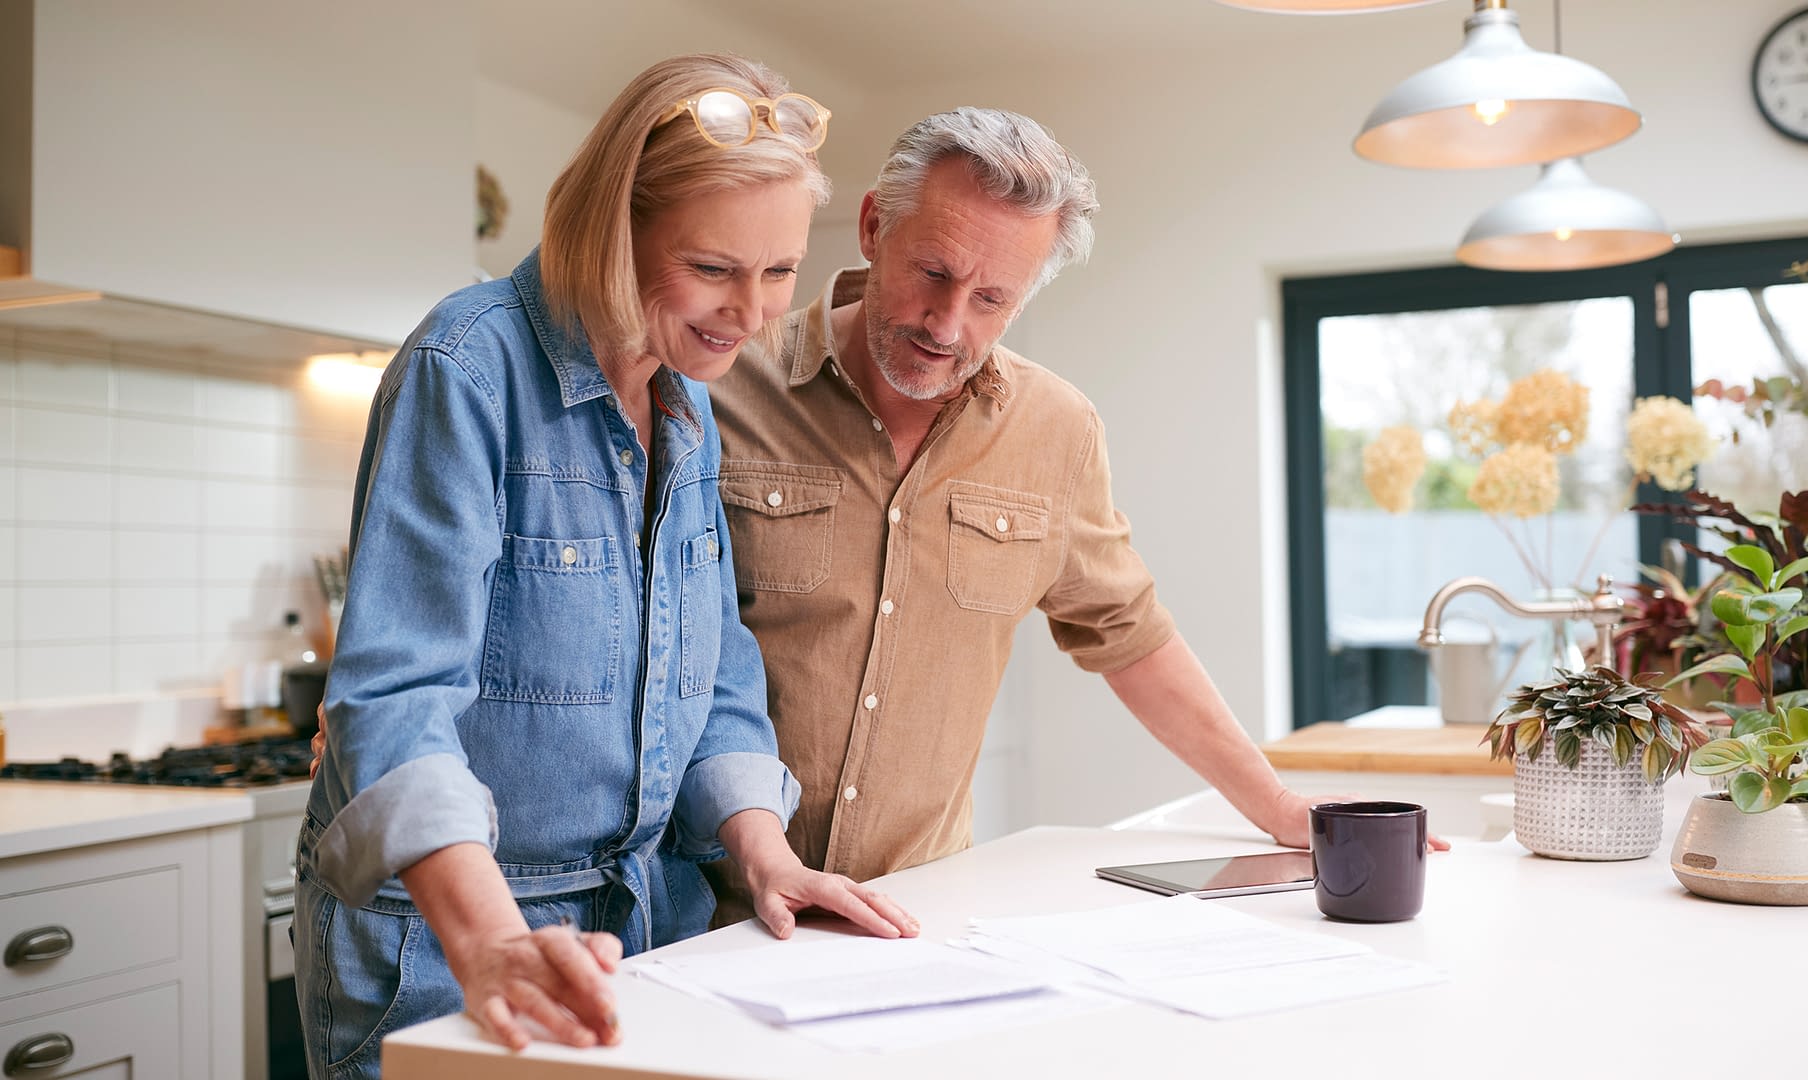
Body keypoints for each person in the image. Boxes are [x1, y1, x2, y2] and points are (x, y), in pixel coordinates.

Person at [295, 54, 916, 1079]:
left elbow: (713, 682)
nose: (753, 312)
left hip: (643, 923)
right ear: (610, 228)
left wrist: (769, 856)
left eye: (780, 273)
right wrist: (492, 941)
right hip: (452, 945)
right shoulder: (466, 366)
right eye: (715, 269)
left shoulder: (686, 404)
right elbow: (395, 697)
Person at [701, 107, 1447, 919]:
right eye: (933, 273)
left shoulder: (1055, 431)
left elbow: (1130, 637)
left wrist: (1277, 807)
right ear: (875, 226)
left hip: (912, 910)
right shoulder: (722, 384)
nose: (949, 325)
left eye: (992, 297)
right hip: (708, 905)